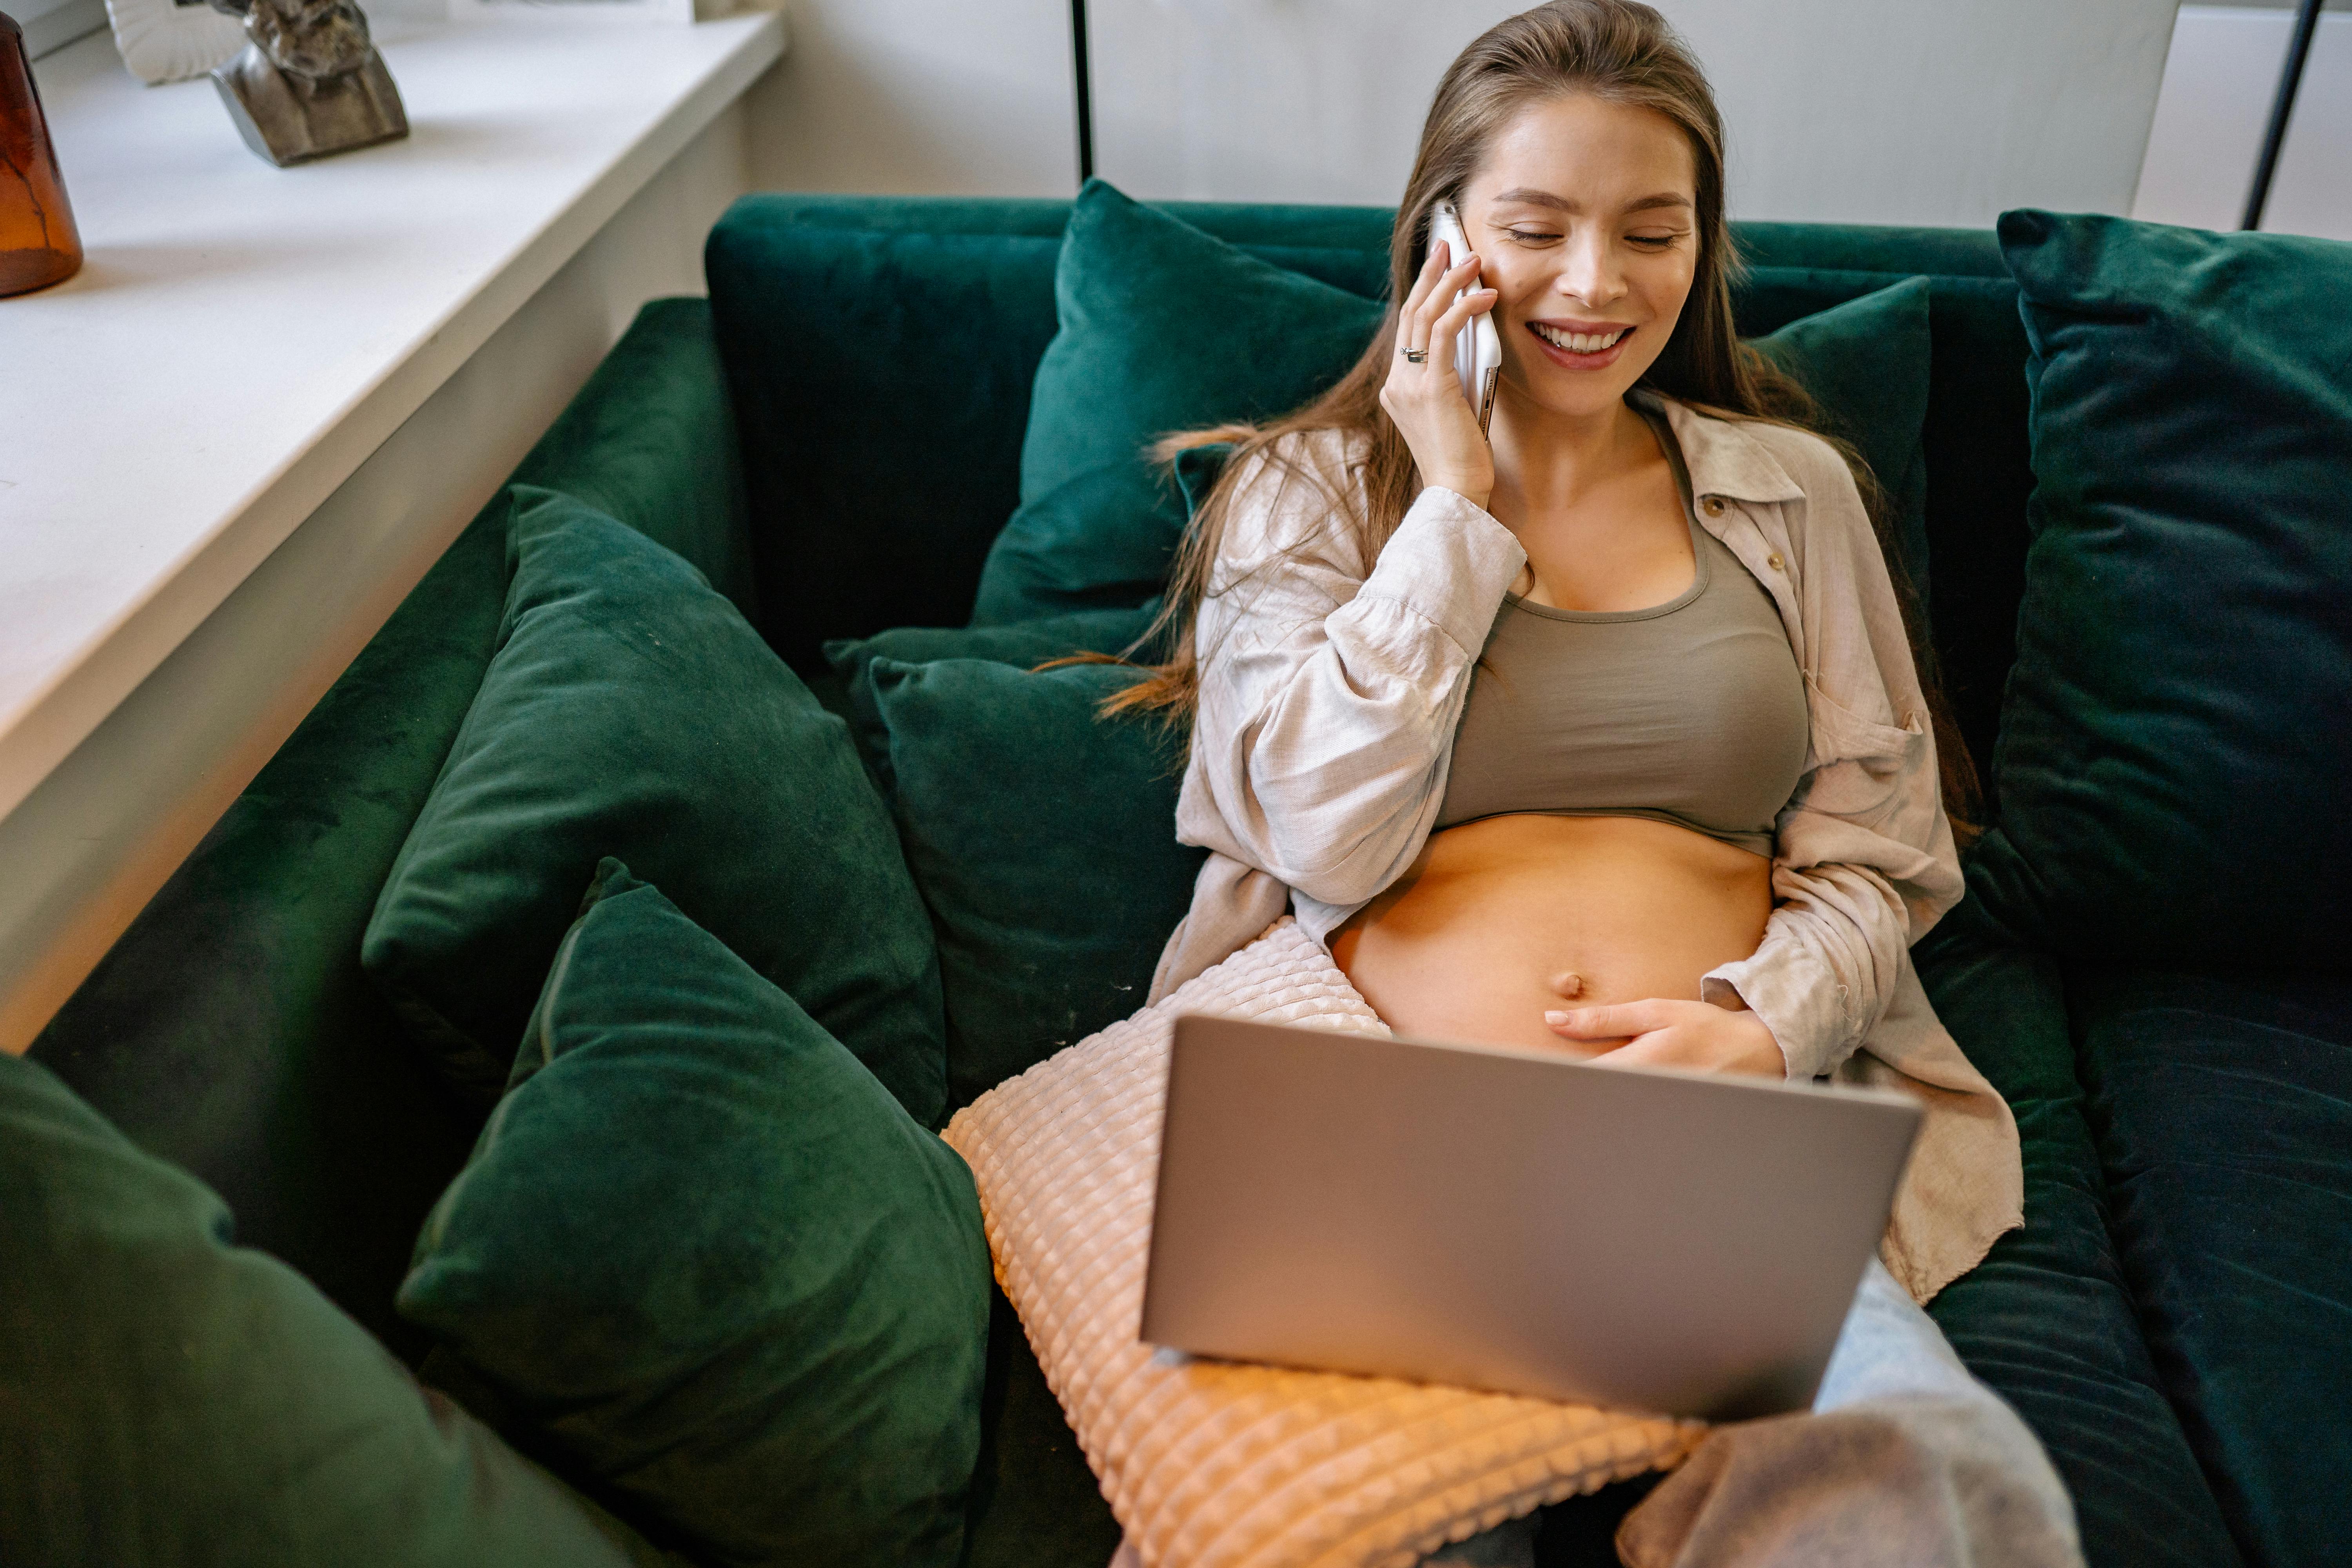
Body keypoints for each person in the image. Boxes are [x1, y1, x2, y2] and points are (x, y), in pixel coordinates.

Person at [1099, 2, 2079, 1562]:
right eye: (1536, 227)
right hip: (1368, 1156)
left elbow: (1882, 859)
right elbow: (1315, 841)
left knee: (1920, 1485)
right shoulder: (1307, 492)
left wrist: (1763, 1025)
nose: (1592, 285)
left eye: (1651, 233)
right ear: (1445, 242)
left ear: (1703, 250)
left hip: (1700, 1168)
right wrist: (1453, 508)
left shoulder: (1793, 495)